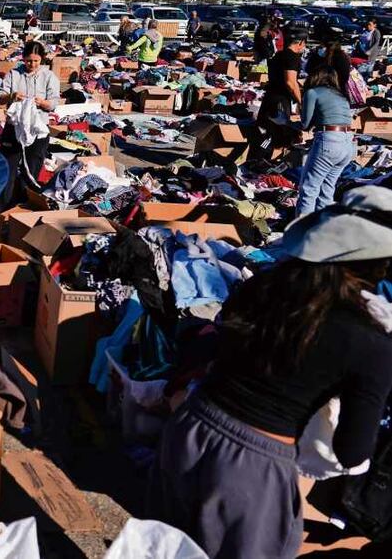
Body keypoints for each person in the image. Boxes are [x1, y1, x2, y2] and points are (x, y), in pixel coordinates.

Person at [152, 184, 392, 559]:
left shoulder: (269, 285)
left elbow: (223, 336)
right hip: (252, 469)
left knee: (172, 548)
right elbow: (351, 451)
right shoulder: (372, 344)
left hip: (191, 426)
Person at [0, 41, 60, 205]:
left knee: (30, 171)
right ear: (23, 58)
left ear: (42, 60)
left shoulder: (49, 77)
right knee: (7, 170)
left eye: (36, 61)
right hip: (14, 129)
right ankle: (2, 207)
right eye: (29, 60)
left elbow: (53, 104)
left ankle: (21, 206)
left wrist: (41, 103)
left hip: (37, 132)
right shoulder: (14, 74)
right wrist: (12, 96)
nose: (32, 64)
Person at [295, 65, 355, 216]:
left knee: (309, 189)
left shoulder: (313, 92)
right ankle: (322, 230)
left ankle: (302, 232)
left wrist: (283, 121)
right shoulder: (341, 95)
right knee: (327, 189)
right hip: (348, 143)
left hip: (329, 141)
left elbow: (305, 124)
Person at [250, 30, 307, 161]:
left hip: (270, 97)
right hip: (279, 102)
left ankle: (261, 161)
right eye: (304, 45)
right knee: (272, 135)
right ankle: (258, 162)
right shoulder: (292, 57)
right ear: (300, 43)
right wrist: (301, 102)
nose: (304, 48)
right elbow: (290, 82)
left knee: (269, 132)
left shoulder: (278, 56)